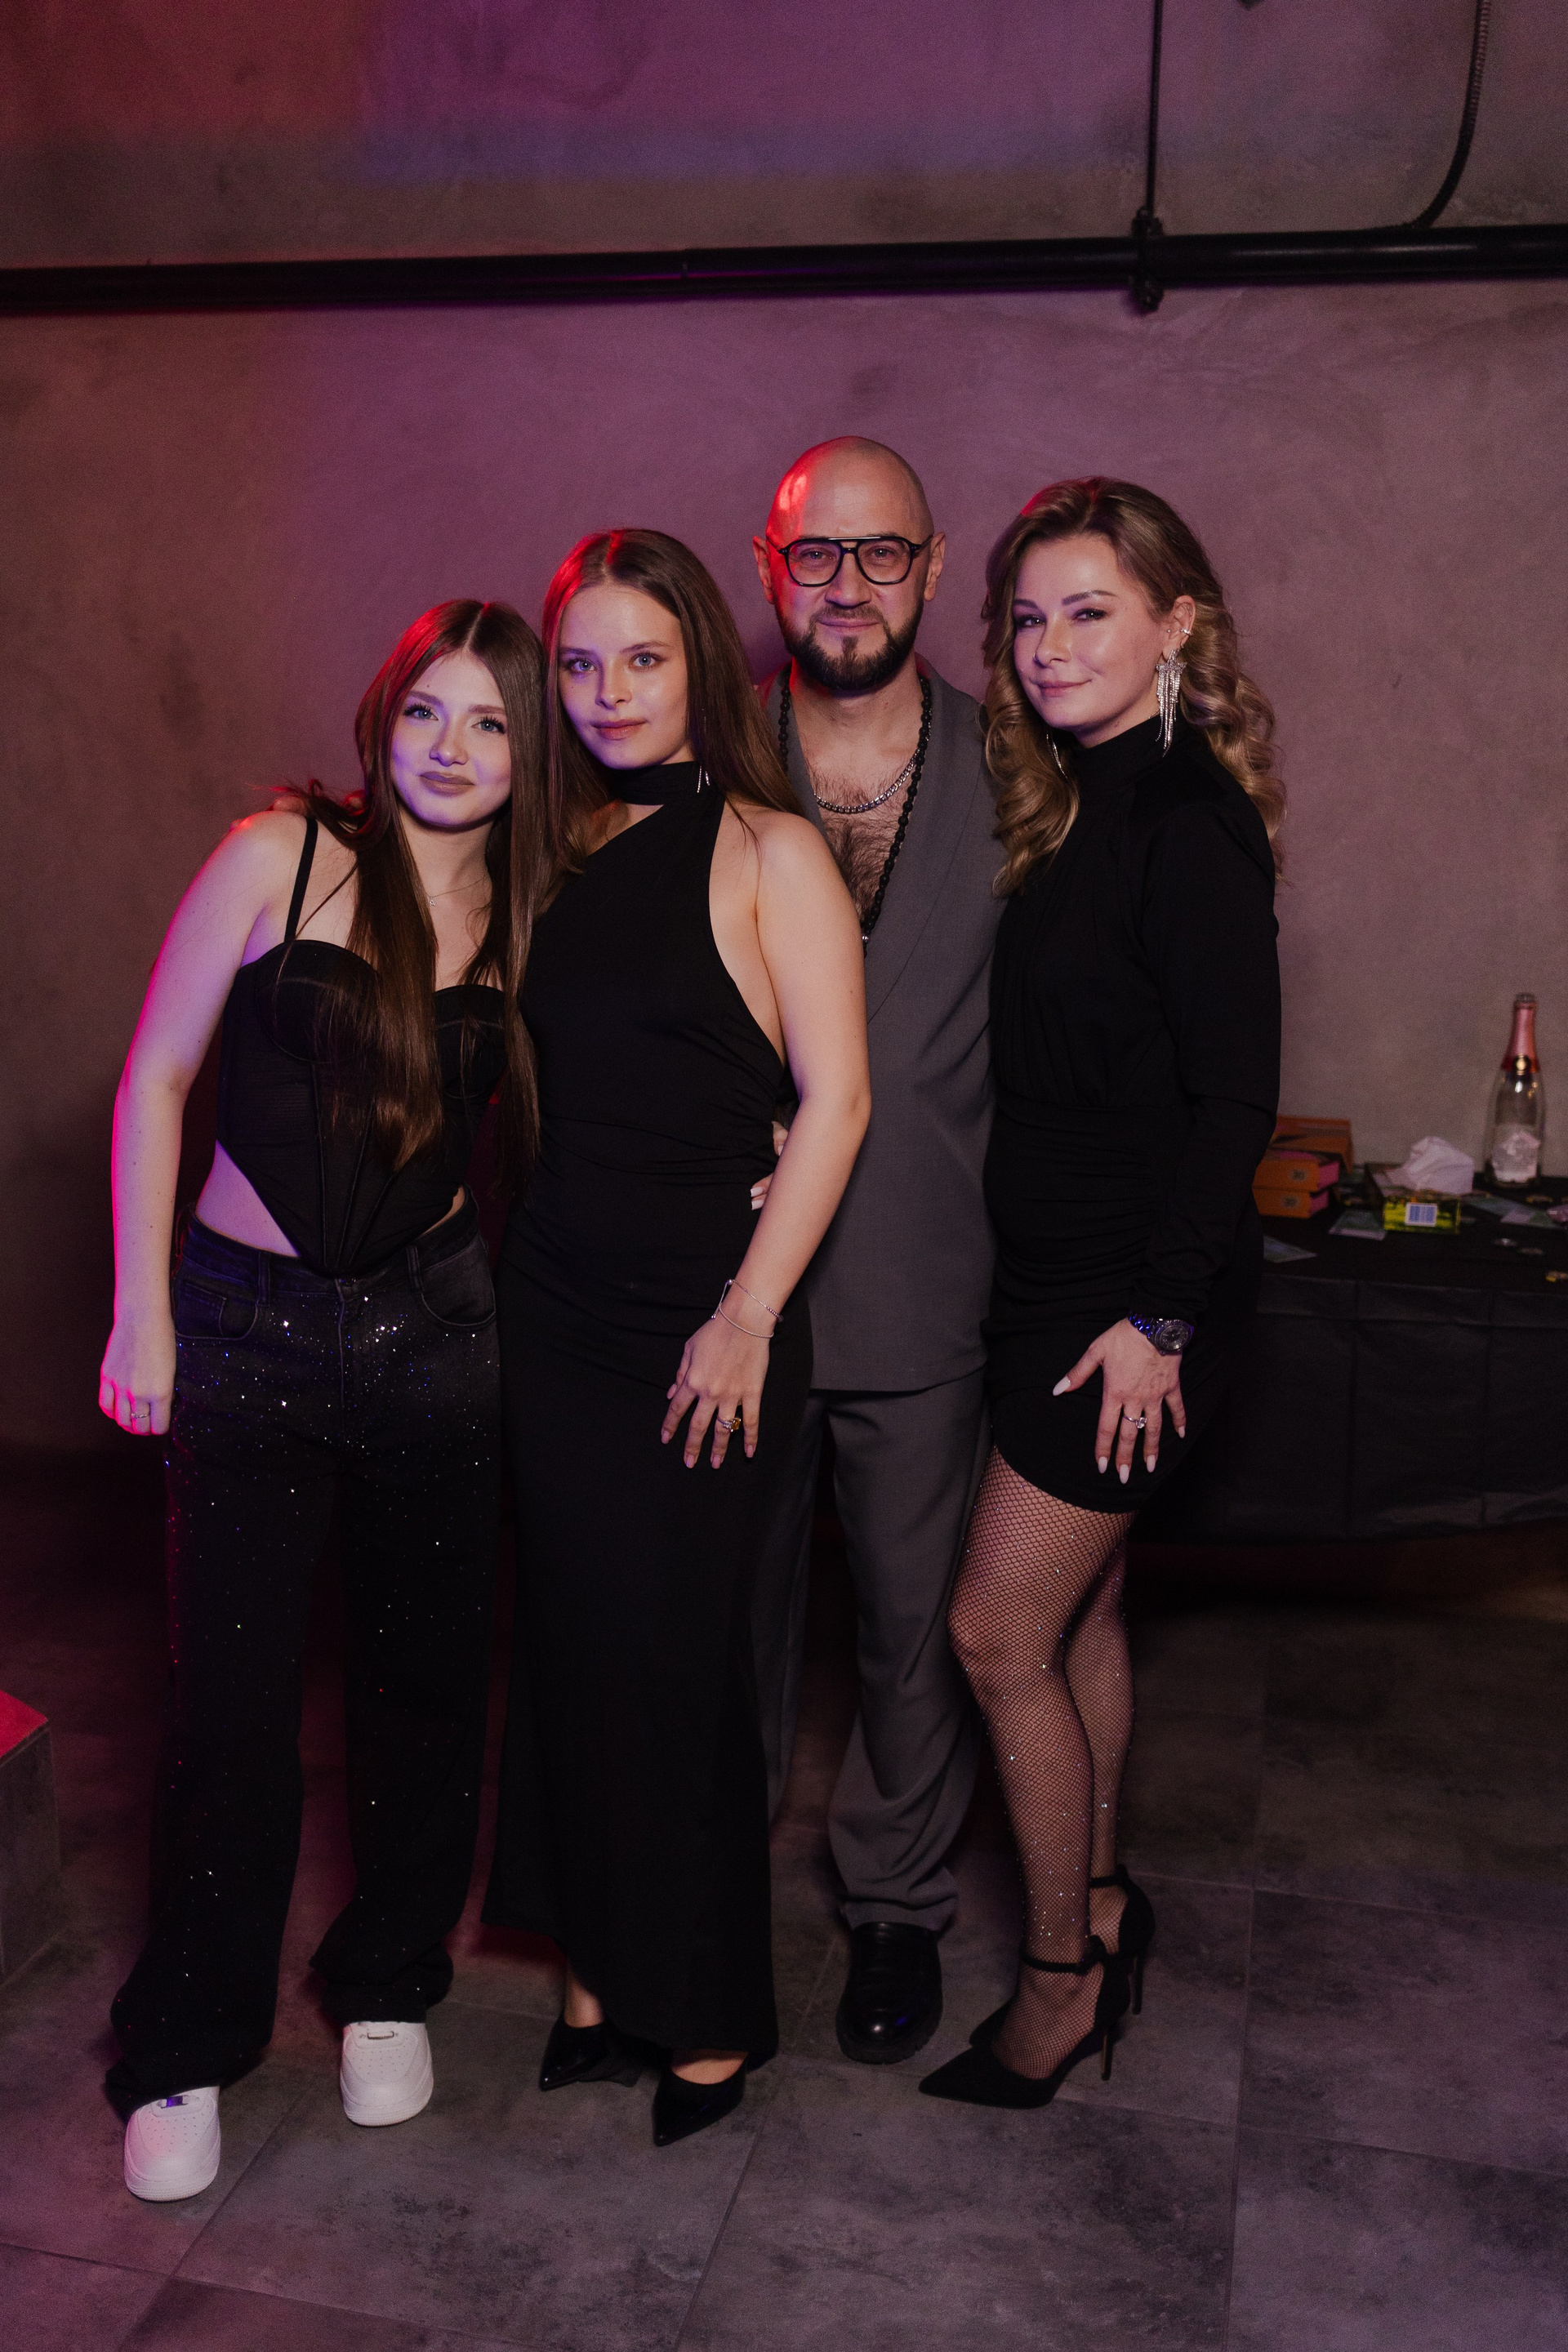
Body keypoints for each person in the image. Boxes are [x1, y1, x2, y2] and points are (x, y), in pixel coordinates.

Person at [98, 600, 544, 2198]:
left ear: (529, 752)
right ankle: (186, 2040)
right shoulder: (276, 855)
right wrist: (145, 1311)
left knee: (426, 1690)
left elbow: (650, 1063)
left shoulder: (530, 905)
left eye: (491, 721)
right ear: (382, 715)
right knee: (228, 1713)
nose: (453, 747)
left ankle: (387, 1981)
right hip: (245, 1331)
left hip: (436, 1333)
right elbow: (156, 1077)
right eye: (428, 710)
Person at [483, 529, 869, 2148]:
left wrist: (748, 1316)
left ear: (701, 660)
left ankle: (703, 2012)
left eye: (641, 657)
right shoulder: (554, 850)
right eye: (579, 663)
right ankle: (591, 1981)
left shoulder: (775, 852)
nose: (607, 691)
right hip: (555, 1307)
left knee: (683, 1667)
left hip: (707, 1321)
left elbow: (838, 1101)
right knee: (571, 1647)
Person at [920, 479, 1282, 2109]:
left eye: (1091, 611)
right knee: (1084, 1615)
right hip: (1049, 1287)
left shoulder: (1188, 824)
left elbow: (1234, 1101)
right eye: (1029, 617)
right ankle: (1109, 1898)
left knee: (996, 1632)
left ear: (1174, 627)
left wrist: (1160, 1323)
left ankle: (1060, 1983)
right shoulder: (1073, 801)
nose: (1051, 646)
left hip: (1123, 1314)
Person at [749, 438, 1003, 2065]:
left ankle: (898, 1904)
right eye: (815, 553)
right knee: (721, 1614)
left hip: (928, 1274)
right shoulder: (702, 755)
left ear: (933, 564)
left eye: (882, 552)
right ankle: (695, 1882)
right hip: (732, 1291)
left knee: (913, 1628)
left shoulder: (1019, 766)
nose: (848, 585)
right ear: (768, 568)